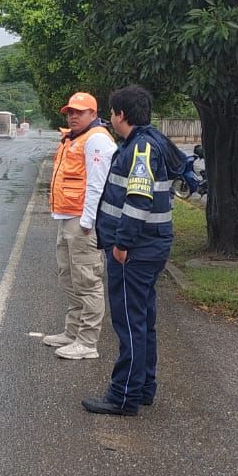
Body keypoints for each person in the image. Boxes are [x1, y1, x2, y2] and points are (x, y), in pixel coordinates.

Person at [83, 85, 198, 415]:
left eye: (111, 114)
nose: (111, 119)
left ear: (121, 115)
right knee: (143, 320)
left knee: (130, 323)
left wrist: (122, 244)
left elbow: (138, 200)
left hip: (136, 251)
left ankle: (123, 397)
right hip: (149, 248)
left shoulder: (141, 148)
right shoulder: (149, 141)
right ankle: (144, 387)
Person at [41, 92, 116, 360]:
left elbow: (97, 184)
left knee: (87, 280)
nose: (73, 116)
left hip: (82, 222)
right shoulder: (74, 138)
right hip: (66, 217)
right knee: (68, 276)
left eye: (80, 112)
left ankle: (87, 342)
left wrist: (88, 221)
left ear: (93, 114)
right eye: (70, 112)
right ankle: (72, 332)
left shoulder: (96, 140)